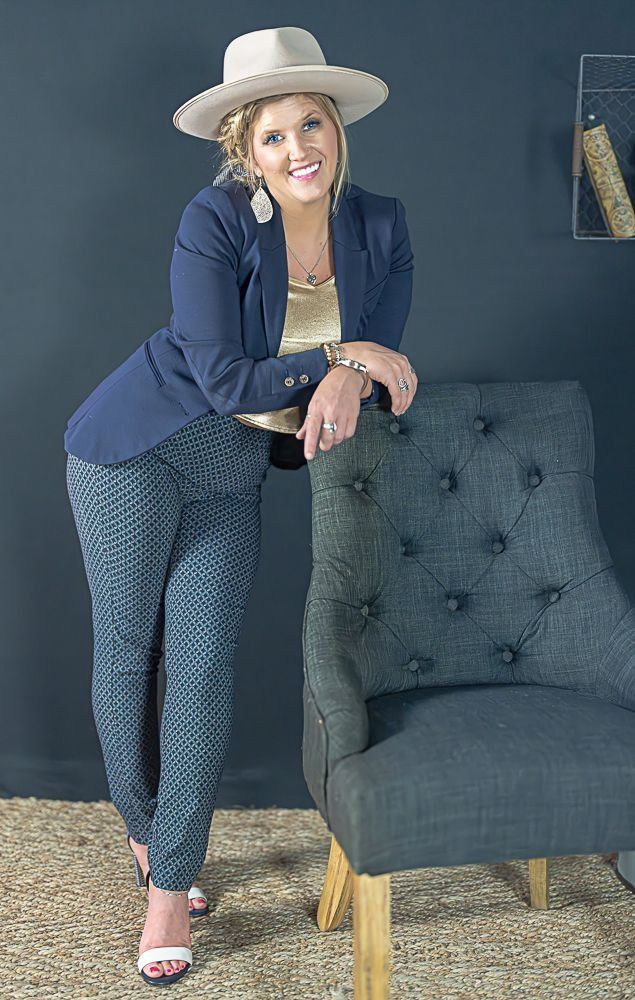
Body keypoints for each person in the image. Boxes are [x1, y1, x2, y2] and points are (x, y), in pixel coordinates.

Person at [64, 25, 417, 987]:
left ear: (336, 128)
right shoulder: (214, 219)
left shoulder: (379, 227)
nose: (298, 148)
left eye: (313, 124)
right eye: (273, 136)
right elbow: (223, 375)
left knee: (204, 671)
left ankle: (169, 881)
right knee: (129, 654)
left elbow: (383, 368)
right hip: (135, 448)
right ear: (243, 150)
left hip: (231, 470)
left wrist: (353, 370)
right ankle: (150, 840)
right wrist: (344, 358)